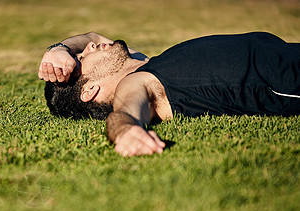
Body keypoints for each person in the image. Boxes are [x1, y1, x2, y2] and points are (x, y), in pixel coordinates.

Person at [38, 32, 300, 157]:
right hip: (288, 79)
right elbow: (126, 111)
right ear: (90, 90)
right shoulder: (136, 82)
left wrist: (57, 49)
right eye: (83, 56)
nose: (90, 46)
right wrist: (125, 131)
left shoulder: (148, 62)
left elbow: (92, 34)